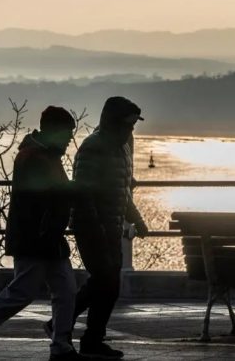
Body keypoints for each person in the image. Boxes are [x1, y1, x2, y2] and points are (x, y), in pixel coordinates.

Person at [0, 106, 83, 361]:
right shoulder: (34, 158)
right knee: (23, 292)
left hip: (48, 238)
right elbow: (47, 195)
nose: (70, 138)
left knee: (66, 290)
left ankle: (61, 346)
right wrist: (76, 191)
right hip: (35, 238)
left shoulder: (44, 155)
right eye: (68, 132)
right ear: (54, 131)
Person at [47, 96, 148, 359]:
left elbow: (122, 191)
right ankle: (66, 326)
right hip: (90, 226)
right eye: (128, 124)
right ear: (113, 122)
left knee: (109, 283)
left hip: (111, 225)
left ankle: (89, 337)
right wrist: (98, 227)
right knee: (105, 279)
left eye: (134, 124)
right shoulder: (93, 147)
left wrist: (136, 219)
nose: (131, 129)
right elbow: (83, 193)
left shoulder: (123, 148)